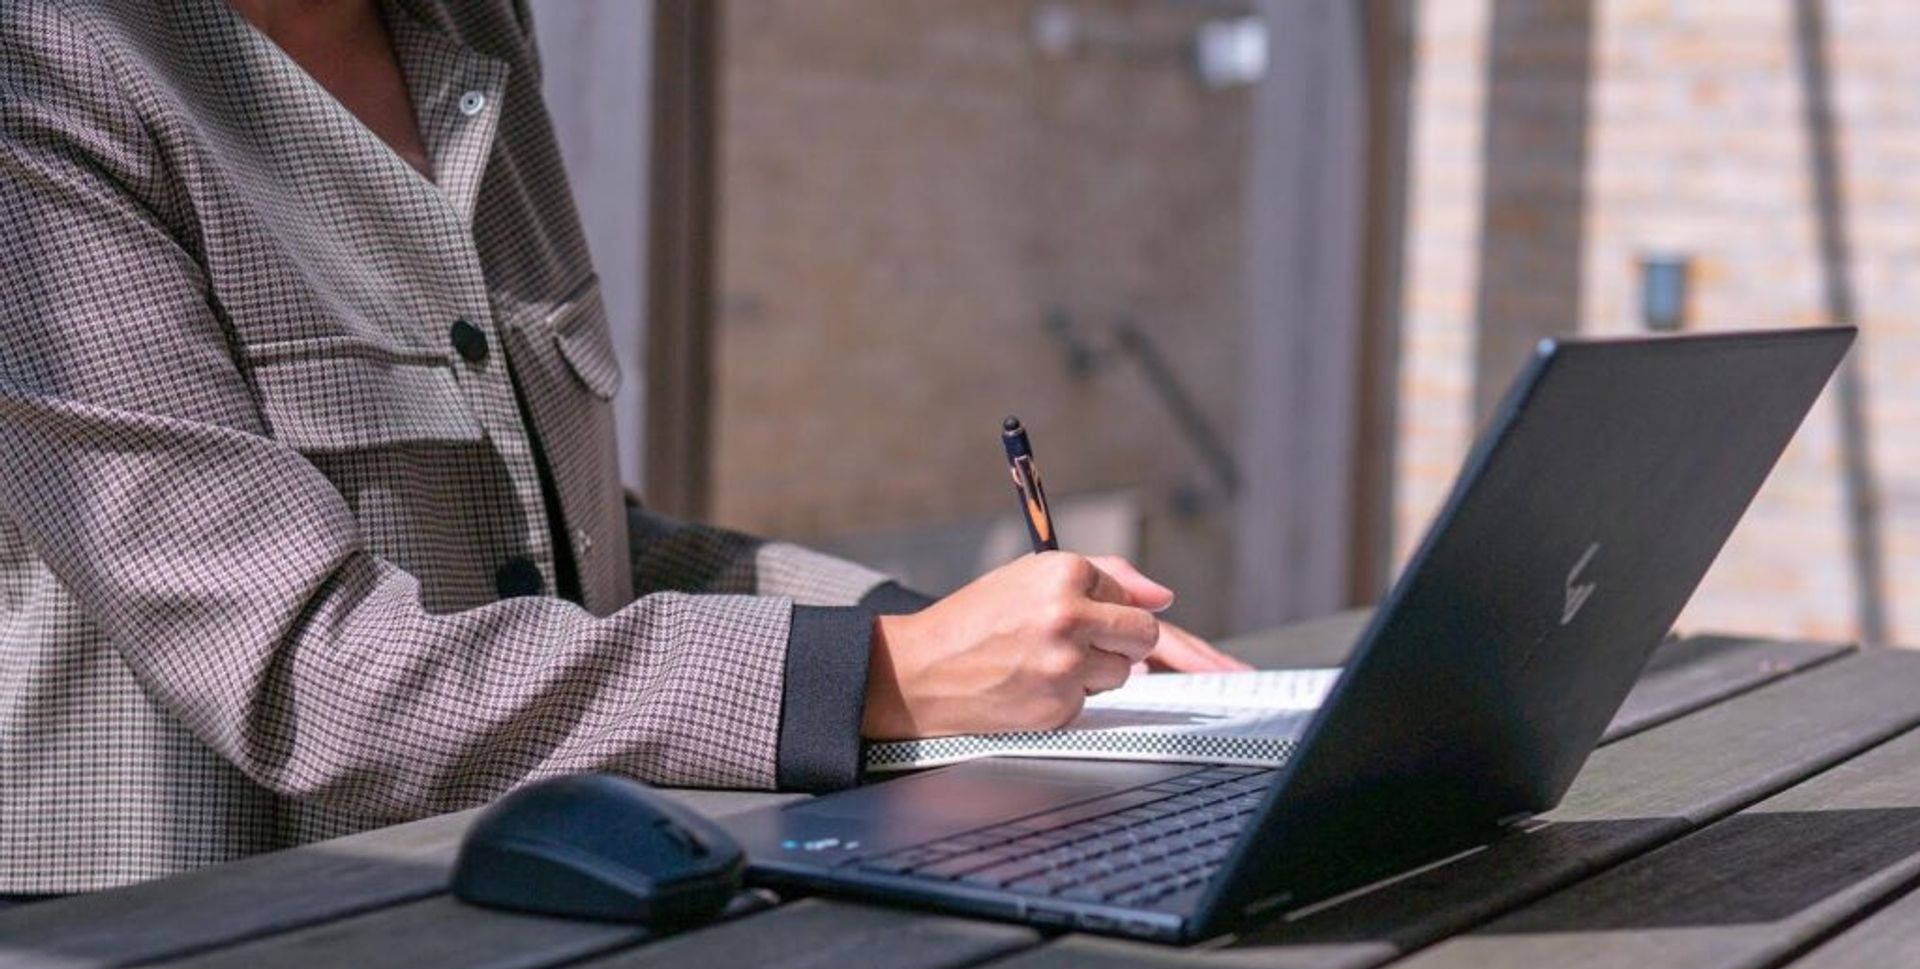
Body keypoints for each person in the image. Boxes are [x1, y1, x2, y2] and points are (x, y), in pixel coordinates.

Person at [0, 0, 1243, 895]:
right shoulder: (45, 67)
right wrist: (886, 671)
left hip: (529, 892)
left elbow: (576, 552)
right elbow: (314, 677)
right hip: (181, 959)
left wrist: (969, 635)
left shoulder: (476, 35)